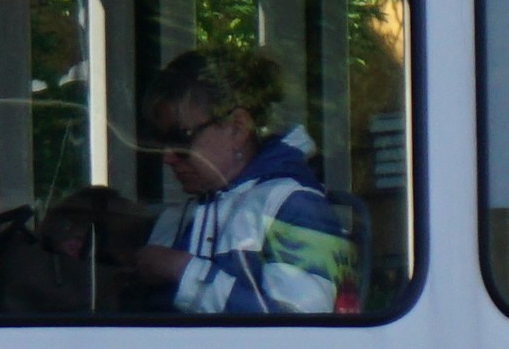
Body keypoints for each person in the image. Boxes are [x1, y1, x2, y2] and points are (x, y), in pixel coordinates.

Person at [125, 44, 358, 318]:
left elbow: (300, 330)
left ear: (238, 127)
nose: (167, 157)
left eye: (179, 139)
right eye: (160, 141)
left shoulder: (295, 205)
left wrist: (184, 271)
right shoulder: (179, 218)